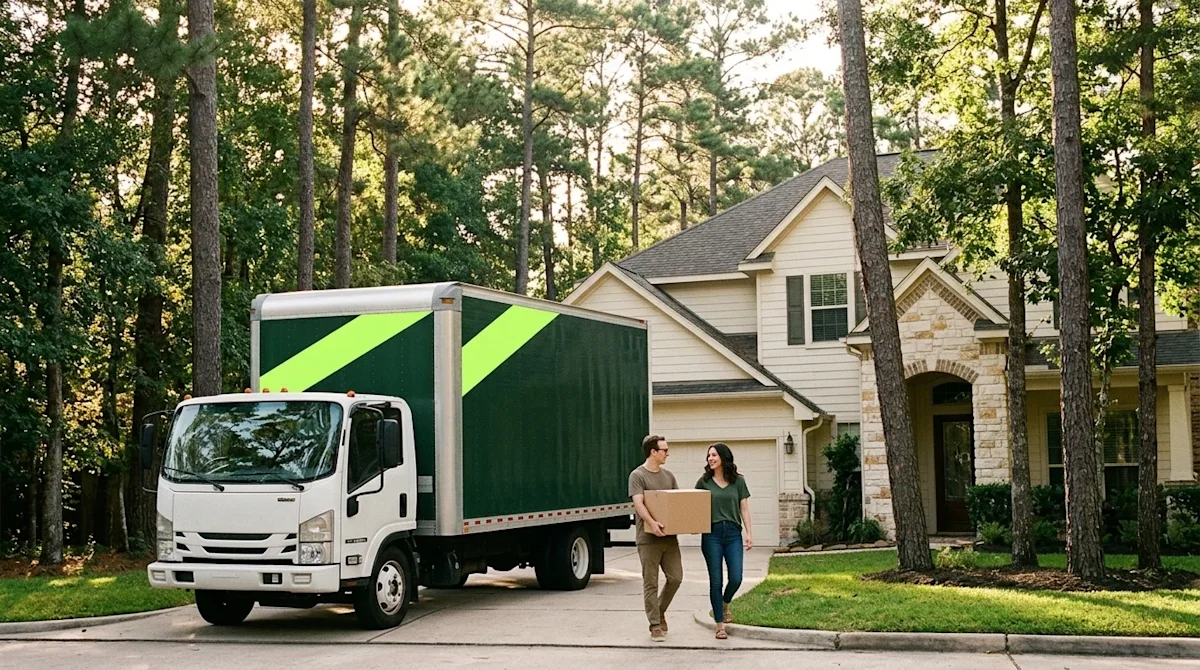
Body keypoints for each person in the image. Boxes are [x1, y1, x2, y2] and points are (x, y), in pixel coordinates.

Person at [695, 442, 753, 640]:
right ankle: (719, 625)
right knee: (716, 580)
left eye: (714, 455)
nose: (710, 458)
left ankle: (725, 603)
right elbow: (695, 506)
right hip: (712, 534)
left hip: (733, 533)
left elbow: (744, 508)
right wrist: (694, 524)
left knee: (736, 577)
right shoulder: (704, 482)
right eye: (708, 455)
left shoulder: (738, 481)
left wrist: (749, 533)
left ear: (723, 457)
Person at [628, 434, 682, 642]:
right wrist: (651, 523)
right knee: (651, 582)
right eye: (664, 450)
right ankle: (655, 625)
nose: (667, 453)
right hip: (648, 539)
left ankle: (659, 611)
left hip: (669, 538)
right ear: (653, 452)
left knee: (676, 578)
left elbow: (678, 503)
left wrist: (689, 524)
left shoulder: (669, 476)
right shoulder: (637, 476)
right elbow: (638, 503)